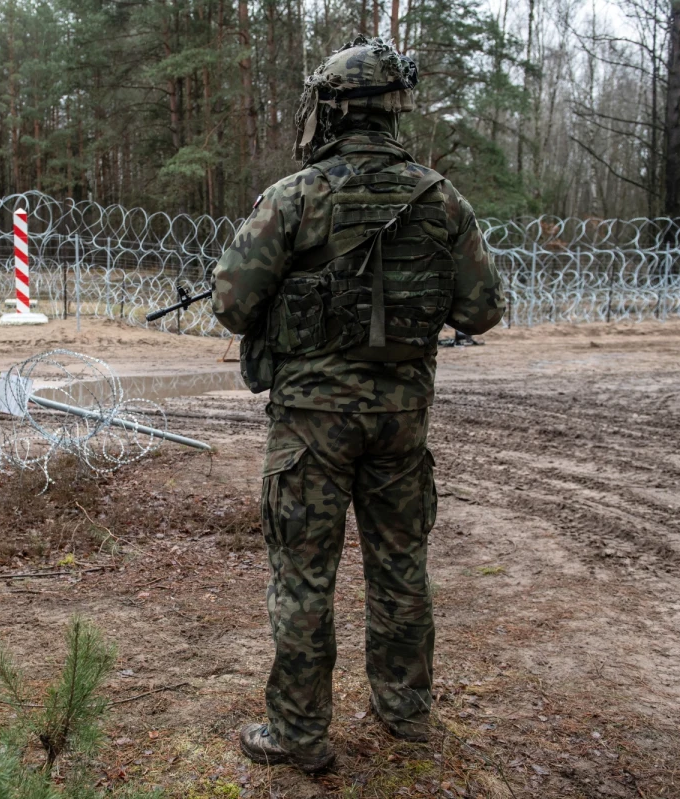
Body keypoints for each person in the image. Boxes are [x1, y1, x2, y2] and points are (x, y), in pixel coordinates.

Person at [209, 35, 505, 773]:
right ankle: (406, 712)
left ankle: (299, 733)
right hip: (401, 419)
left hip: (312, 424)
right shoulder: (442, 199)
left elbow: (232, 304)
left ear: (331, 110)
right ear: (394, 110)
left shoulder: (295, 196)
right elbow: (481, 310)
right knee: (401, 564)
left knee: (304, 574)